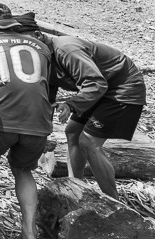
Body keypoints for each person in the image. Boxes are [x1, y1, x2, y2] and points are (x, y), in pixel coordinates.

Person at [0, 3, 53, 239]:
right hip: (38, 121)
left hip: (1, 119)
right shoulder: (41, 46)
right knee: (23, 170)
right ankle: (29, 232)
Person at [37, 23, 147, 200]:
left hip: (122, 88)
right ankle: (75, 191)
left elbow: (96, 83)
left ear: (39, 36)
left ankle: (113, 202)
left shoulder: (67, 50)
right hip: (99, 90)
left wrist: (72, 105)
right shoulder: (42, 56)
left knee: (87, 142)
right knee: (72, 131)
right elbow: (47, 100)